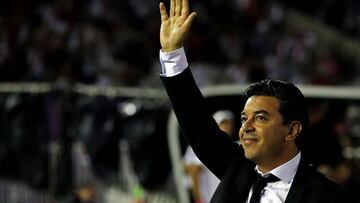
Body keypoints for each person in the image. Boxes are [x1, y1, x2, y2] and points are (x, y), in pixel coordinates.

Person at [158, 0, 349, 202]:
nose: (246, 127)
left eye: (260, 118)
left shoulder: (326, 196)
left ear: (291, 130)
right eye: (244, 118)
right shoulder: (236, 167)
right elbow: (196, 122)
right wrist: (173, 53)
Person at [183, 110, 236, 203]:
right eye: (223, 123)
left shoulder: (237, 146)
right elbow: (193, 171)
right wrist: (198, 200)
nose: (228, 127)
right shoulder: (205, 145)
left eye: (230, 124)